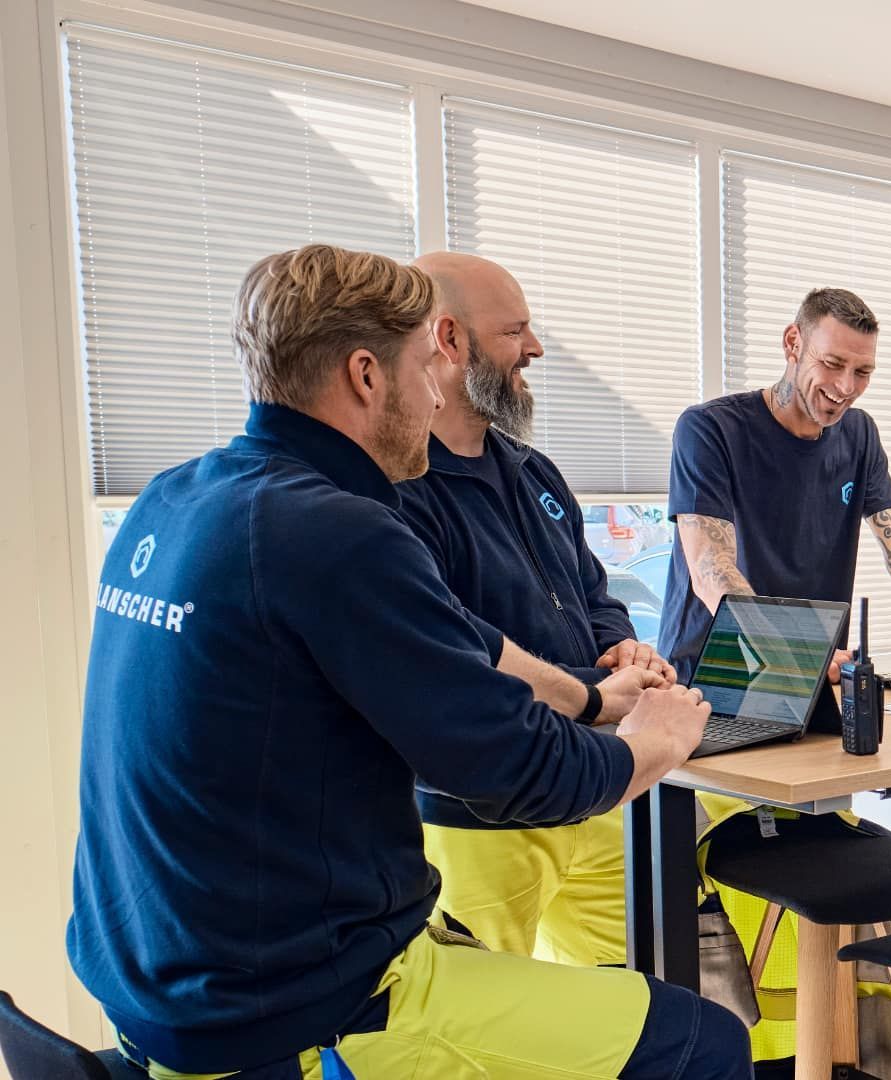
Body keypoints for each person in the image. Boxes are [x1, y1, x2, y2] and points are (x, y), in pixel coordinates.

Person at [67, 244, 750, 1079]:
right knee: (703, 1043)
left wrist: (589, 699)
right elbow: (522, 770)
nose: (435, 394)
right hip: (294, 1009)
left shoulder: (180, 496)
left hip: (163, 982)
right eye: (427, 368)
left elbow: (461, 640)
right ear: (365, 374)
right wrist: (659, 740)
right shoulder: (335, 531)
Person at [394, 251, 671, 966]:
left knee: (638, 997)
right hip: (479, 815)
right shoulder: (397, 490)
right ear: (449, 341)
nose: (536, 349)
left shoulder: (531, 468)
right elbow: (449, 648)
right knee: (487, 1031)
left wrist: (623, 648)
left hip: (592, 781)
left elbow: (592, 594)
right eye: (515, 331)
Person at [658, 287, 891, 681]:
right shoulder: (709, 430)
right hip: (714, 677)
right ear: (793, 343)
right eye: (832, 363)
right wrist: (798, 653)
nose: (846, 386)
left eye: (862, 372)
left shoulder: (859, 435)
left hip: (812, 675)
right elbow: (711, 568)